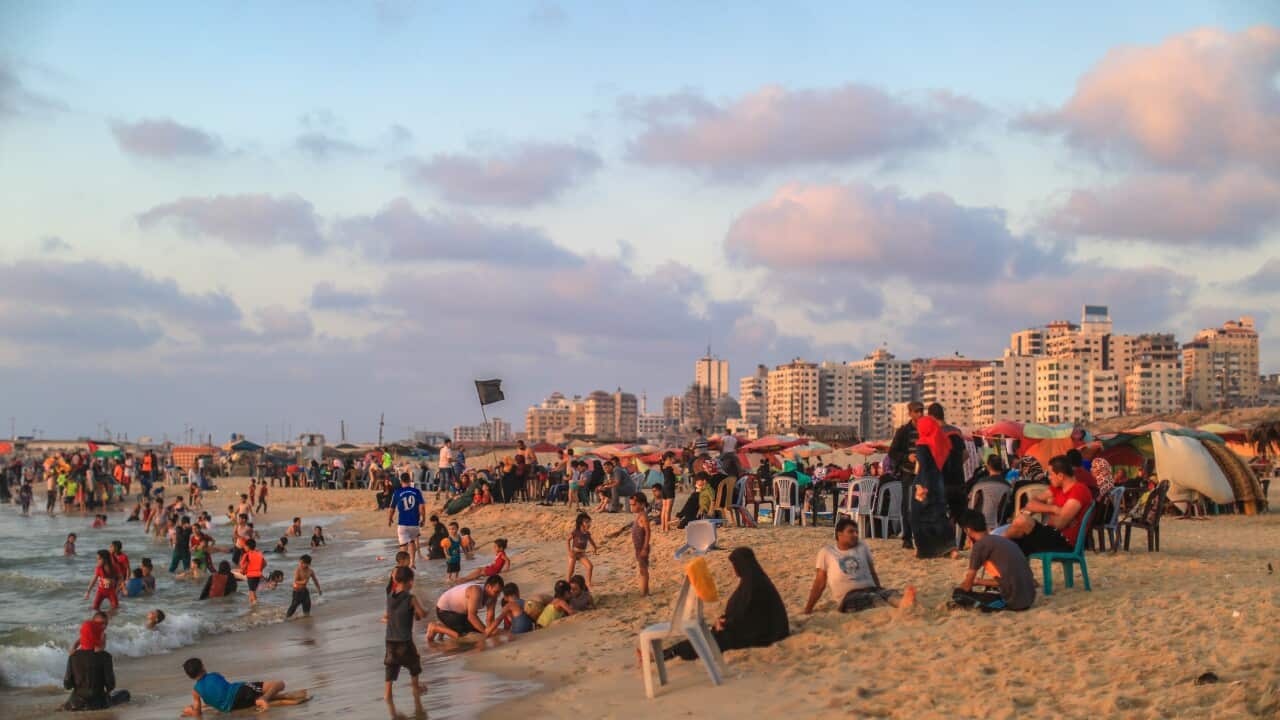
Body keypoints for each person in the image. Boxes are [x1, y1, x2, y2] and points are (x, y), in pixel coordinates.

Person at [662, 547, 788, 662]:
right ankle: (667, 653)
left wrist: (726, 624)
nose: (734, 569)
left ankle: (668, 654)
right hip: (752, 628)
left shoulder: (754, 585)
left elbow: (747, 615)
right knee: (710, 636)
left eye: (734, 565)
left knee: (713, 640)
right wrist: (724, 621)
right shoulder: (752, 579)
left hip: (762, 634)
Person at [804, 518, 916, 614]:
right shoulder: (827, 552)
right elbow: (819, 583)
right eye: (851, 532)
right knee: (874, 599)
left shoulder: (862, 546)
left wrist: (879, 589)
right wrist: (808, 609)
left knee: (890, 593)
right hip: (849, 597)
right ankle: (893, 610)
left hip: (871, 589)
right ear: (839, 534)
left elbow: (872, 572)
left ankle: (903, 603)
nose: (855, 535)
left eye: (857, 532)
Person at [1004, 455, 1094, 555]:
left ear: (1060, 476)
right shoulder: (1057, 488)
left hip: (1065, 542)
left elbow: (1060, 524)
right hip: (1052, 535)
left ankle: (997, 544)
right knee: (1015, 541)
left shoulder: (1078, 490)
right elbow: (1031, 503)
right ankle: (999, 548)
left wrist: (1044, 512)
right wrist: (1054, 509)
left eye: (1050, 474)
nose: (1049, 477)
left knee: (1022, 521)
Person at [952, 510, 1036, 612]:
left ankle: (1000, 603)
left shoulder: (980, 545)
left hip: (1014, 602)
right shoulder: (1001, 540)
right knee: (985, 591)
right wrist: (979, 582)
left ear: (968, 530)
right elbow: (1007, 579)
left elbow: (968, 581)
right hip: (1029, 597)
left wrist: (964, 587)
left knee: (958, 595)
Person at [182, 657, 306, 715]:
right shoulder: (214, 675)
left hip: (234, 707)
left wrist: (189, 710)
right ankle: (265, 698)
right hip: (241, 691)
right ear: (203, 667)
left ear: (190, 676)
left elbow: (197, 713)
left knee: (253, 697)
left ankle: (272, 698)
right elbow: (224, 689)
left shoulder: (195, 691)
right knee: (279, 684)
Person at [911, 414, 959, 559]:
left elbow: (923, 467)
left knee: (919, 515)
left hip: (924, 481)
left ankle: (926, 550)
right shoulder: (941, 441)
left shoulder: (922, 444)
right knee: (939, 514)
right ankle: (950, 548)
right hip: (938, 482)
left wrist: (921, 487)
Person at [384, 566, 428, 702]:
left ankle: (388, 694)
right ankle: (415, 687)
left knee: (391, 666)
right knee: (414, 663)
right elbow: (421, 614)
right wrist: (424, 612)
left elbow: (391, 615)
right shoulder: (411, 598)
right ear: (410, 581)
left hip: (390, 639)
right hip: (404, 640)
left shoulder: (390, 597)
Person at [887, 401, 924, 549]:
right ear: (910, 413)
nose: (920, 414)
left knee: (923, 505)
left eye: (921, 411)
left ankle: (920, 535)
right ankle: (907, 537)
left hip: (923, 473)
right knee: (907, 506)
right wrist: (907, 457)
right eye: (917, 411)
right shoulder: (903, 431)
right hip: (908, 472)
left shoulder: (926, 430)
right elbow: (892, 452)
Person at [426, 575, 504, 640]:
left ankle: (444, 626)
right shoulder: (476, 591)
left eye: (499, 592)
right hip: (444, 610)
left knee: (476, 634)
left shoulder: (493, 596)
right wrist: (486, 632)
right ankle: (435, 627)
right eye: (496, 592)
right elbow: (471, 616)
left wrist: (490, 631)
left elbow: (490, 618)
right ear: (488, 587)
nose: (497, 595)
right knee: (461, 637)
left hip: (461, 613)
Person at [64, 634, 128, 710]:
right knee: (125, 694)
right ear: (98, 641)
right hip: (98, 703)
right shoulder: (105, 656)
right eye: (104, 640)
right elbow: (110, 685)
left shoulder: (73, 656)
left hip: (76, 704)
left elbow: (67, 685)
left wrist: (74, 647)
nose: (105, 642)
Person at [388, 473, 426, 568]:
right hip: (414, 523)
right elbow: (422, 507)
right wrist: (423, 519)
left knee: (403, 545)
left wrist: (390, 518)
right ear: (410, 480)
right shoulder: (416, 491)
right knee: (412, 541)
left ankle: (402, 565)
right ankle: (412, 562)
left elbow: (392, 508)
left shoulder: (397, 492)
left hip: (403, 523)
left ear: (401, 481)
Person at [566, 513, 598, 587]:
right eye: (586, 522)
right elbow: (568, 540)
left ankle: (588, 583)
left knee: (590, 566)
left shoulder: (587, 533)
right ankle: (567, 582)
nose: (589, 524)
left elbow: (591, 541)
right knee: (571, 570)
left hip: (581, 554)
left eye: (589, 522)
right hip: (574, 553)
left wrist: (595, 548)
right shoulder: (576, 532)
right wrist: (569, 551)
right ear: (581, 523)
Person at [631, 492, 652, 596]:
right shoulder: (639, 515)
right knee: (642, 569)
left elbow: (648, 532)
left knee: (643, 570)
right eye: (631, 505)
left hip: (642, 547)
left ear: (642, 504)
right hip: (638, 547)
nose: (632, 507)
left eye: (634, 505)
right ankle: (646, 591)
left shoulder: (643, 516)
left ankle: (645, 592)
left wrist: (645, 547)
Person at [239, 539, 267, 605]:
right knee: (252, 591)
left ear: (248, 546)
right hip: (258, 575)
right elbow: (265, 563)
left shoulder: (247, 555)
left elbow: (242, 565)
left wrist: (242, 571)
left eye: (245, 546)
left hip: (251, 575)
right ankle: (252, 605)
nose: (244, 547)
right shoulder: (259, 553)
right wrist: (260, 570)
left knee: (252, 592)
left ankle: (255, 606)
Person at [660, 452, 678, 532]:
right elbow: (679, 472)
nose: (674, 459)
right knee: (668, 510)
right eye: (673, 458)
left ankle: (663, 527)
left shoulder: (663, 467)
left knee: (664, 509)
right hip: (670, 489)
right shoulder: (670, 467)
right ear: (669, 458)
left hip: (664, 488)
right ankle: (667, 528)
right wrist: (672, 464)